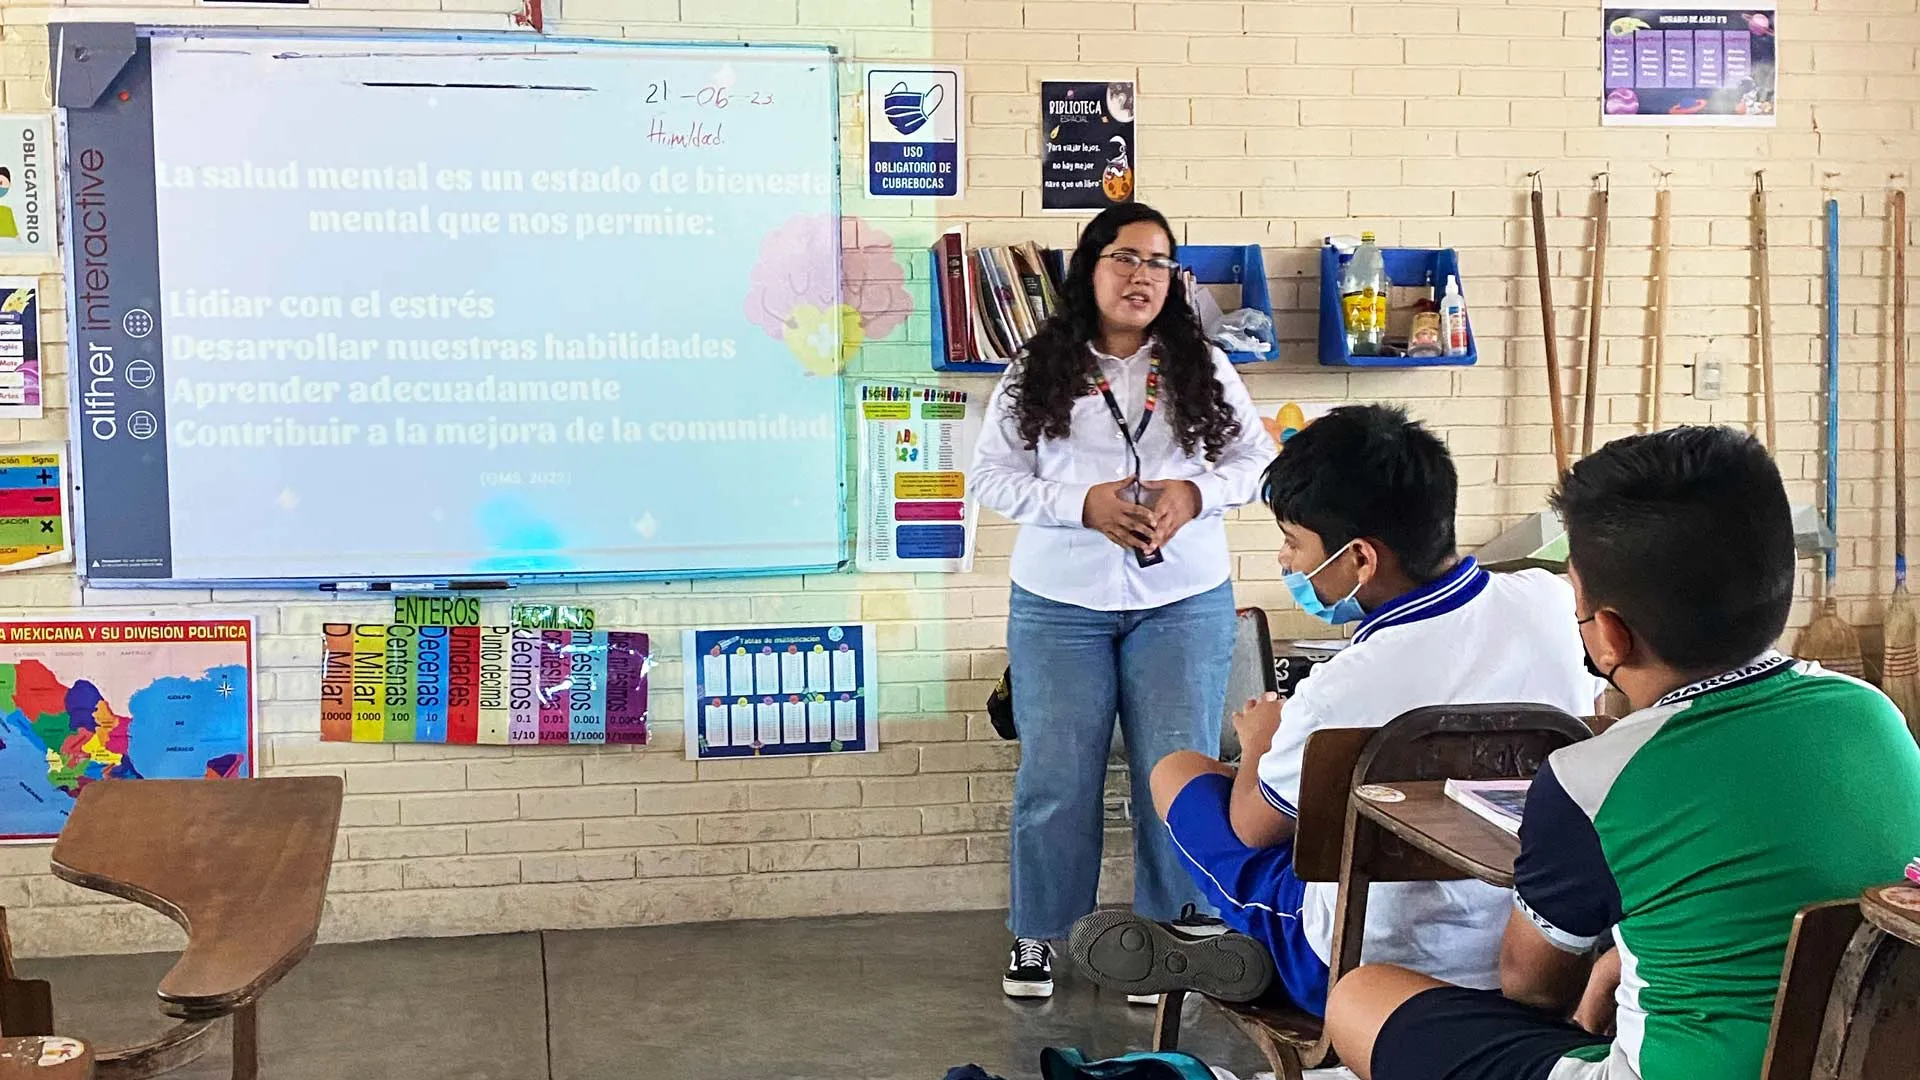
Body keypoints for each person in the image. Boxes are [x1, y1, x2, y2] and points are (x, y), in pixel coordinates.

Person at [1322, 425, 1920, 1080]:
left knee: (1360, 997)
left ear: (1607, 635)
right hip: (1872, 1060)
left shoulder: (1593, 775)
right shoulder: (1875, 714)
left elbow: (1532, 986)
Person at [1070, 404, 1599, 1014]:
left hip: (1358, 964)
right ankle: (1244, 950)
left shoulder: (1344, 684)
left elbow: (1250, 828)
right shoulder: (1552, 602)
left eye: (1294, 543)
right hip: (1535, 953)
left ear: (1360, 559)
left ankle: (1257, 948)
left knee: (1178, 773)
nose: (1286, 562)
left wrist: (1264, 741)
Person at [971, 202, 1275, 1000]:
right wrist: (1081, 505)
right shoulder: (1037, 366)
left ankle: (1167, 937)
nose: (1142, 276)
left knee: (1173, 771)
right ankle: (1039, 932)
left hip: (1180, 597)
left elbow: (1257, 462)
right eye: (1125, 258)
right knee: (1056, 774)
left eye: (1158, 263)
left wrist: (1192, 492)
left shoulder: (1203, 365)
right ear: (1091, 269)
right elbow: (991, 478)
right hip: (1058, 599)